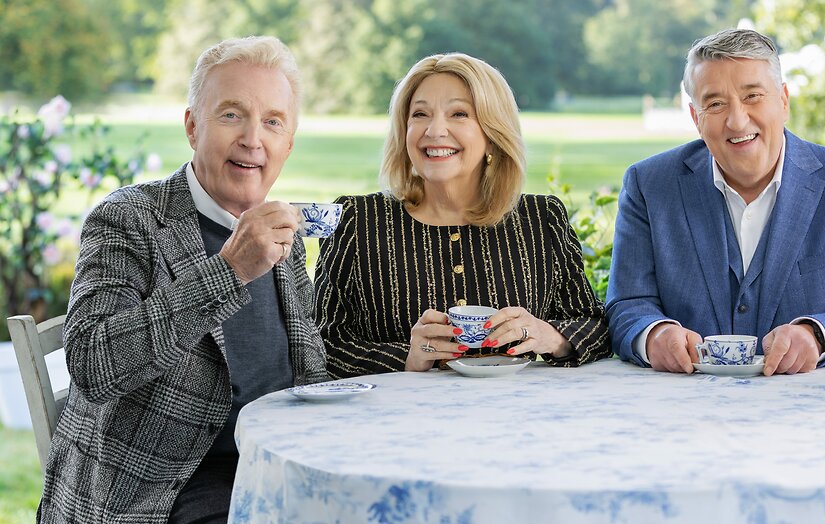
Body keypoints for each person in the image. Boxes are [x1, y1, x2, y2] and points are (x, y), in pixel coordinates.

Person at [37, 36, 328, 523]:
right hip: (159, 489)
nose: (253, 139)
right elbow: (94, 364)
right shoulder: (129, 219)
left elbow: (306, 368)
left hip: (272, 470)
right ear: (193, 126)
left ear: (289, 143)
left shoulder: (283, 235)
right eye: (232, 114)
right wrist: (229, 270)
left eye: (273, 122)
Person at [605, 28, 825, 376]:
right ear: (695, 117)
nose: (737, 120)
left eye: (753, 96)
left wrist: (819, 336)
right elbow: (627, 304)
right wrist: (653, 334)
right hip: (683, 411)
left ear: (784, 100)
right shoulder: (648, 185)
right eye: (715, 104)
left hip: (815, 414)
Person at [314, 52, 610, 378]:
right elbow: (322, 346)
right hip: (395, 422)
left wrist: (550, 336)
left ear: (493, 136)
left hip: (518, 420)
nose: (435, 130)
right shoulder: (358, 221)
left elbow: (595, 325)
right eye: (420, 114)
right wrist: (406, 357)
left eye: (459, 114)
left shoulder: (542, 219)